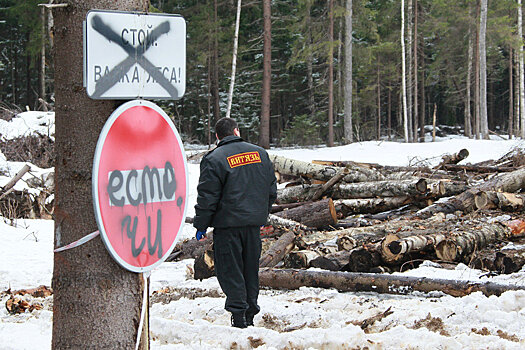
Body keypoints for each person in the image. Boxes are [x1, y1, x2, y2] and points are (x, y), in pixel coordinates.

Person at [193, 117, 277, 328]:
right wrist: (261, 214)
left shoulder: (214, 158)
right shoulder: (260, 154)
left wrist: (201, 225)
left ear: (217, 137)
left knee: (231, 271)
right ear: (237, 131)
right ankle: (250, 313)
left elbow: (207, 196)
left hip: (227, 227)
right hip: (252, 225)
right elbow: (271, 189)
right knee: (250, 269)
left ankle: (239, 317)